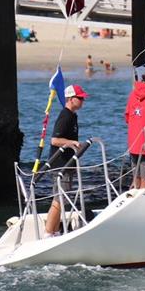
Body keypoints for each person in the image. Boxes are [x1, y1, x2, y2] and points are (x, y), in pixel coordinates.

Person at [44, 84, 89, 238]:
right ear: (71, 99)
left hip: (67, 164)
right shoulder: (65, 116)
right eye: (80, 98)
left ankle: (55, 231)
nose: (83, 101)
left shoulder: (72, 116)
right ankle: (49, 233)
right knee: (60, 198)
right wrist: (71, 143)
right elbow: (54, 140)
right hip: (60, 165)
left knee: (62, 198)